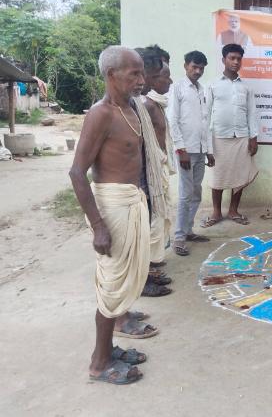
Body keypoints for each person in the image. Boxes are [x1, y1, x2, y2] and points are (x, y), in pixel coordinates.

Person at [69, 46, 157, 385]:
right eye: (134, 73)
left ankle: (110, 348)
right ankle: (99, 362)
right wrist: (98, 226)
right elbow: (77, 173)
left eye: (142, 72)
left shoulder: (132, 110)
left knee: (121, 285)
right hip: (113, 209)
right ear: (111, 75)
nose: (141, 79)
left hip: (131, 203)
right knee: (111, 289)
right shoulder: (101, 114)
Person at [201, 43, 258, 227]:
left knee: (239, 176)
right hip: (218, 138)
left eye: (238, 59)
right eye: (232, 58)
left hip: (241, 137)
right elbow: (206, 114)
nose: (235, 62)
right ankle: (216, 212)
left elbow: (251, 113)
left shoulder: (246, 88)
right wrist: (206, 143)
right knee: (218, 175)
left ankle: (233, 210)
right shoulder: (212, 85)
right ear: (223, 60)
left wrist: (253, 138)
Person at [133, 47, 174, 297]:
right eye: (163, 75)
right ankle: (142, 279)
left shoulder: (146, 103)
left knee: (152, 224)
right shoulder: (136, 105)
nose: (169, 81)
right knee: (142, 231)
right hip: (138, 179)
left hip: (150, 174)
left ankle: (148, 273)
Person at [168, 50, 214, 257]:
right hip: (185, 151)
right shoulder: (177, 88)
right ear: (186, 65)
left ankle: (188, 231)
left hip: (200, 150)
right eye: (194, 67)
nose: (198, 71)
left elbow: (205, 123)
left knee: (196, 193)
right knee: (186, 194)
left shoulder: (202, 90)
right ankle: (179, 237)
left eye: (201, 68)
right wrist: (181, 149)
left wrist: (209, 151)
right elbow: (172, 120)